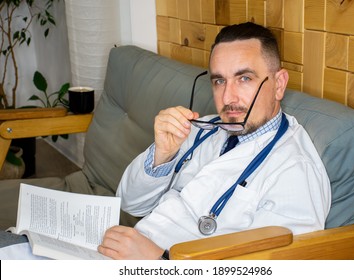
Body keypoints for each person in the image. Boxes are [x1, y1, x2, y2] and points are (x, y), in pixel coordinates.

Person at [97, 22, 331, 260]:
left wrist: (159, 261)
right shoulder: (201, 129)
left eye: (244, 79)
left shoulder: (294, 170)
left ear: (279, 84)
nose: (228, 98)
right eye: (219, 81)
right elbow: (130, 203)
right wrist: (162, 155)